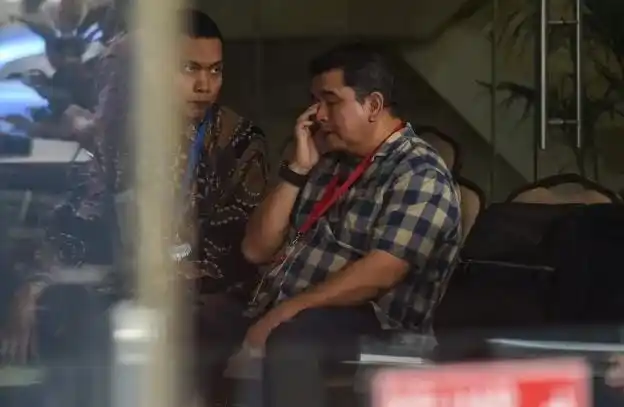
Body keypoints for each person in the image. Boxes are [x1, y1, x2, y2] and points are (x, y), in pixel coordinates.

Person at [2, 8, 269, 376]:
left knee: (146, 329)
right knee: (59, 311)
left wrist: (152, 272)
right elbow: (77, 221)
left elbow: (229, 253)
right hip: (126, 283)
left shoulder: (237, 141)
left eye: (215, 71)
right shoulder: (125, 134)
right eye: (189, 69)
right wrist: (35, 286)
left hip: (204, 297)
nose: (204, 85)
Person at [197, 43, 462, 407]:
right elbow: (255, 249)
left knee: (291, 342)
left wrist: (285, 311)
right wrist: (296, 169)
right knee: (198, 322)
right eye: (315, 101)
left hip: (372, 325)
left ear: (373, 105)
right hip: (281, 304)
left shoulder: (418, 173)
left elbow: (381, 273)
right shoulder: (327, 160)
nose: (318, 115)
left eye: (331, 101)